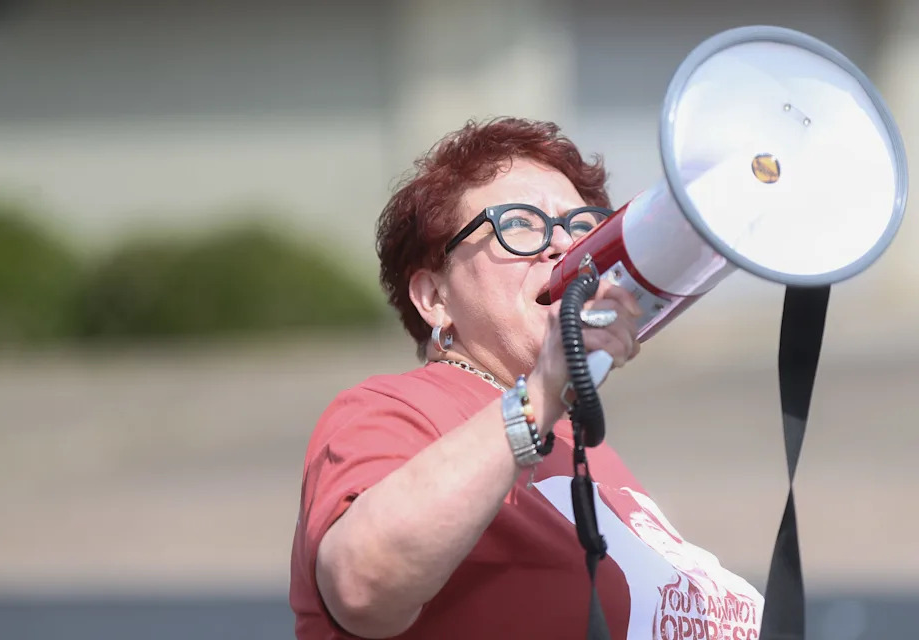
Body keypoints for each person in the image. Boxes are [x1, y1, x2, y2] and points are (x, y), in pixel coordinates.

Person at [289, 117, 763, 639]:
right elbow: (361, 584)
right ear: (434, 298)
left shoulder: (579, 443)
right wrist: (537, 398)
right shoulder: (395, 408)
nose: (564, 246)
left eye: (583, 226)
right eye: (519, 223)